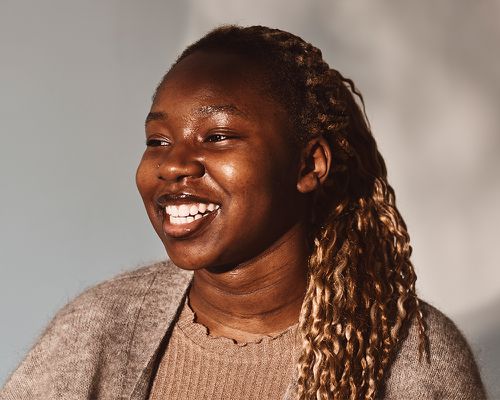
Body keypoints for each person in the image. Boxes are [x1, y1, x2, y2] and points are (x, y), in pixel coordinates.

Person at [1, 25, 486, 400]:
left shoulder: (408, 354)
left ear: (309, 164)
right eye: (158, 141)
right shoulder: (98, 327)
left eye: (217, 137)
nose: (173, 165)